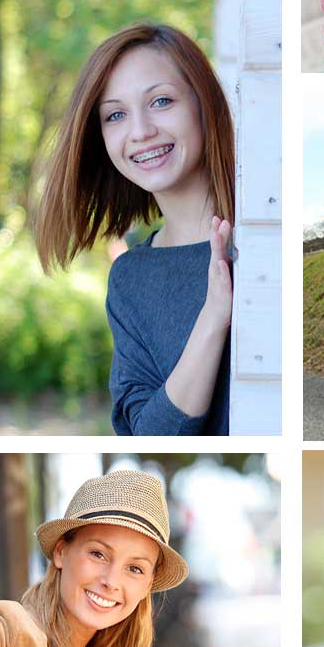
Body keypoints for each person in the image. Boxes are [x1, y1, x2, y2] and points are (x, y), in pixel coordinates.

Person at [34, 24, 235, 436]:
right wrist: (212, 319)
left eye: (161, 101)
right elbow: (150, 433)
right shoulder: (131, 279)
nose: (140, 131)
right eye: (116, 115)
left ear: (204, 103)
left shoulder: (271, 233)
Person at [0, 471, 188, 647]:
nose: (111, 581)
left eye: (135, 568)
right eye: (98, 554)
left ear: (148, 585)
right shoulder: (8, 631)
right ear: (60, 551)